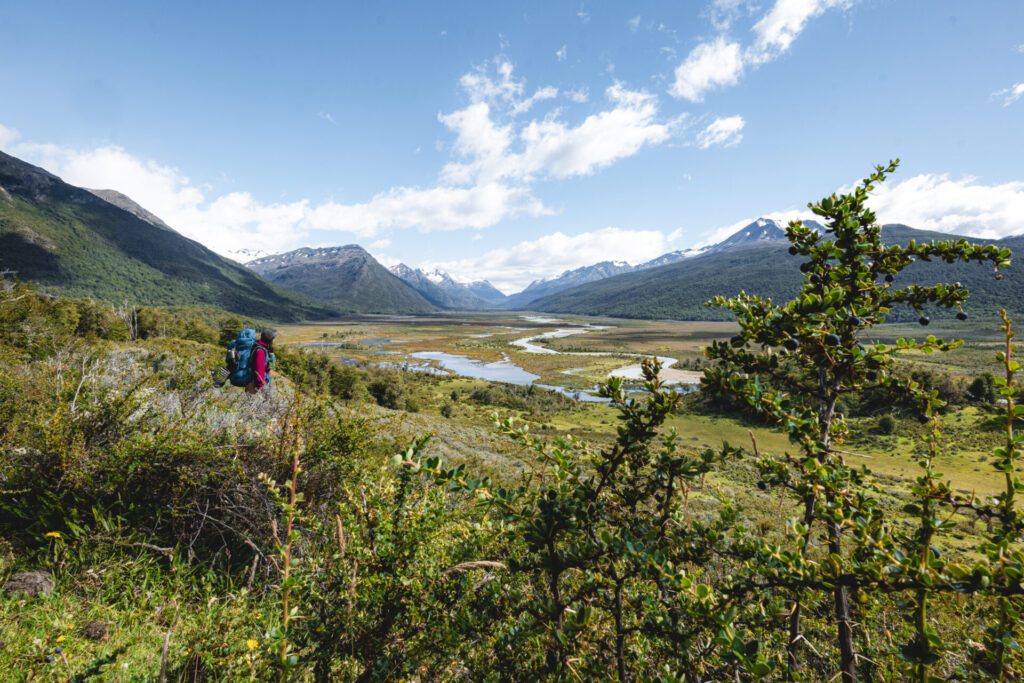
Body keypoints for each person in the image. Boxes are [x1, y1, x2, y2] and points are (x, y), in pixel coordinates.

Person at [247, 328, 276, 394]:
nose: (273, 341)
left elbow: (270, 367)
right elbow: (259, 372)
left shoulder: (263, 347)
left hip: (261, 384)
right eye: (272, 339)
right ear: (269, 339)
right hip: (257, 388)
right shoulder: (260, 352)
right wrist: (263, 388)